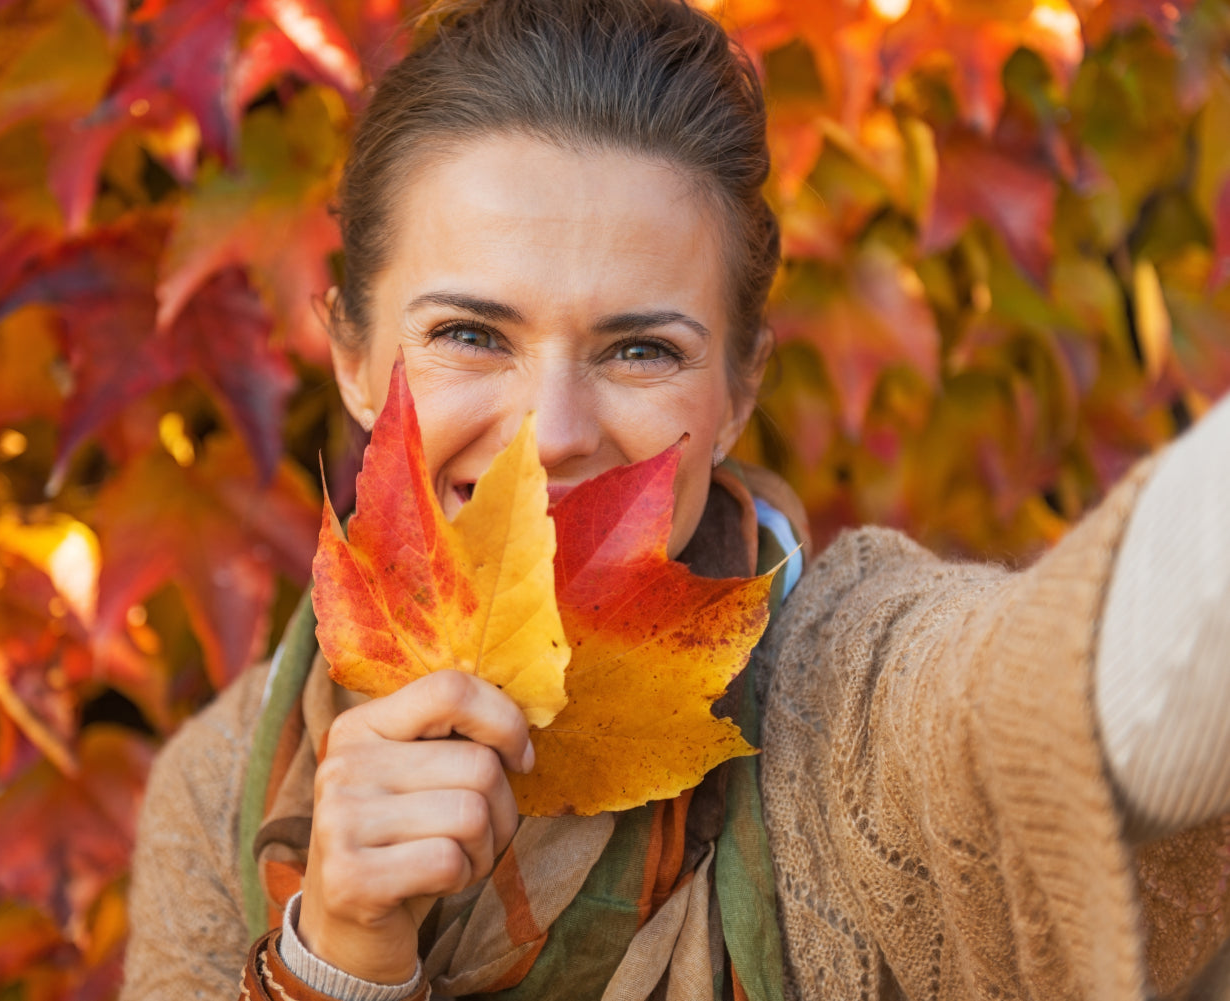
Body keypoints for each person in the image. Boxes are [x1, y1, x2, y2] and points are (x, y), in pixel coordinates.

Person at [120, 1, 1230, 998]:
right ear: (354, 355)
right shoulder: (218, 790)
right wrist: (338, 962)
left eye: (641, 349)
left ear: (741, 388)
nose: (550, 434)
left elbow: (1052, 691)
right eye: (470, 334)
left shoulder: (843, 699)